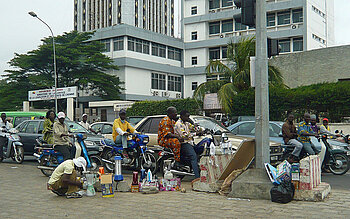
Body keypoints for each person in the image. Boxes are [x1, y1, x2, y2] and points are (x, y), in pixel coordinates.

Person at [174, 110, 200, 179]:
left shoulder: (186, 123)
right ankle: (197, 177)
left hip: (190, 143)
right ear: (182, 116)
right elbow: (184, 135)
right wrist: (195, 134)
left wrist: (195, 125)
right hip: (184, 144)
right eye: (187, 116)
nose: (188, 118)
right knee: (193, 157)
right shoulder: (178, 124)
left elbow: (194, 128)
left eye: (189, 116)